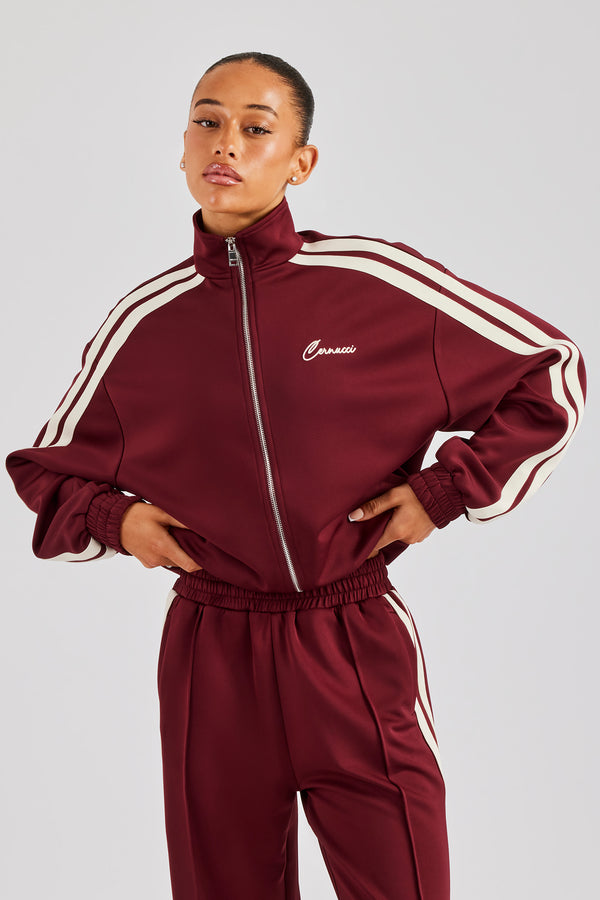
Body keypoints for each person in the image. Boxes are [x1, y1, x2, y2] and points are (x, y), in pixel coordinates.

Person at [5, 51, 586, 900]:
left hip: (350, 639)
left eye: (256, 128)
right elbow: (45, 467)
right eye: (207, 121)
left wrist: (445, 491)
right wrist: (114, 521)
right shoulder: (145, 323)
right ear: (181, 146)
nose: (225, 144)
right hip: (212, 656)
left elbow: (551, 371)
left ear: (300, 162)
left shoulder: (374, 281)